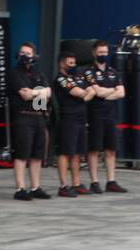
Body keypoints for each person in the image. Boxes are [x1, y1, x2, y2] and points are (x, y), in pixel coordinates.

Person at [8, 42, 52, 201]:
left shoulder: (38, 74)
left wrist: (35, 92)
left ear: (34, 56)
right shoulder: (14, 73)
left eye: (28, 53)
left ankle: (35, 187)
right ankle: (20, 188)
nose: (25, 56)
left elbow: (47, 93)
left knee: (37, 155)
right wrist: (39, 92)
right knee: (22, 154)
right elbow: (24, 95)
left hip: (38, 115)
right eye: (22, 53)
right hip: (23, 116)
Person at [84, 41, 126, 194]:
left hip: (111, 115)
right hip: (95, 115)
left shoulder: (113, 71)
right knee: (94, 149)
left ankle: (111, 181)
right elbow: (97, 92)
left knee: (111, 149)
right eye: (100, 52)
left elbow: (121, 93)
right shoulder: (89, 72)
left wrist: (105, 93)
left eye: (105, 52)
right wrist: (111, 91)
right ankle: (94, 182)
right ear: (94, 53)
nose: (103, 55)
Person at [53, 49, 90, 197]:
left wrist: (87, 92)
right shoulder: (60, 79)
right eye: (70, 63)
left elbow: (90, 90)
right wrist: (87, 93)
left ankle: (76, 183)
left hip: (81, 118)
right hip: (68, 119)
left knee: (77, 153)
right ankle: (63, 186)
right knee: (65, 153)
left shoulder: (77, 78)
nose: (73, 66)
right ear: (62, 63)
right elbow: (80, 93)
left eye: (74, 63)